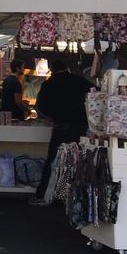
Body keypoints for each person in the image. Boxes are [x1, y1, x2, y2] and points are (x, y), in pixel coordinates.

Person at [30, 58, 95, 205]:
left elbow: (41, 107)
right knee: (78, 160)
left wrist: (54, 114)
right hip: (81, 125)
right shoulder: (80, 81)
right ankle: (75, 197)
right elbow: (95, 93)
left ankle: (43, 195)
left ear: (52, 70)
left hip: (61, 125)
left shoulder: (49, 84)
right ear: (66, 68)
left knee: (53, 160)